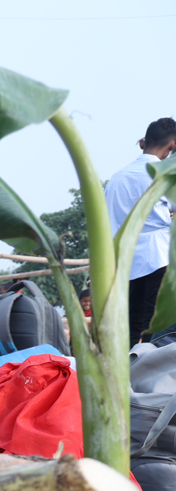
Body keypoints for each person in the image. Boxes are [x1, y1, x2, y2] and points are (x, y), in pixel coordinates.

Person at [105, 118, 176, 345]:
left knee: (131, 325)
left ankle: (129, 365)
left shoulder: (116, 179)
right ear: (172, 146)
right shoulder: (163, 175)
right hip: (158, 257)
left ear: (143, 143)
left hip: (125, 262)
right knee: (155, 327)